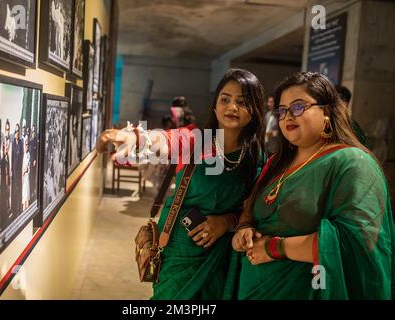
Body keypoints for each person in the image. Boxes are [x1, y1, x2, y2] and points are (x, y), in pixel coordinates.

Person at [97, 69, 267, 299]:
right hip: (180, 248)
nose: (232, 107)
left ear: (255, 109)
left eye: (242, 101)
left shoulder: (256, 155)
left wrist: (227, 222)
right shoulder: (197, 140)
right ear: (215, 106)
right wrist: (135, 137)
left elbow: (252, 209)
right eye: (225, 99)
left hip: (222, 252)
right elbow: (164, 140)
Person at [230, 72, 394, 299]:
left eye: (298, 107)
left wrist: (274, 248)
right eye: (282, 110)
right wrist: (244, 229)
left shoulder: (352, 163)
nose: (288, 116)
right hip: (254, 288)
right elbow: (252, 207)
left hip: (309, 289)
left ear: (326, 111)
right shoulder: (277, 162)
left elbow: (356, 242)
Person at [0, 131, 11, 232]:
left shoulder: (7, 159)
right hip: (3, 188)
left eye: (7, 147)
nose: (6, 149)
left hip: (6, 187)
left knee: (6, 205)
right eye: (5, 147)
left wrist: (8, 186)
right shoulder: (3, 161)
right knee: (3, 206)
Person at [11, 123, 23, 217]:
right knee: (14, 189)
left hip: (19, 171)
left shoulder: (21, 143)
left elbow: (22, 156)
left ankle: (19, 209)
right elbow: (12, 157)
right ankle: (14, 210)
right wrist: (11, 170)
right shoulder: (13, 144)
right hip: (14, 170)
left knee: (19, 189)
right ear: (14, 133)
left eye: (18, 132)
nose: (17, 134)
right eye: (16, 132)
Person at [22, 136, 30, 211]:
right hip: (23, 177)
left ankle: (26, 211)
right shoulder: (23, 155)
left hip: (27, 177)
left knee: (27, 194)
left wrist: (26, 169)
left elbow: (28, 167)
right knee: (23, 195)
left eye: (27, 145)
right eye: (25, 144)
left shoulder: (28, 155)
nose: (26, 146)